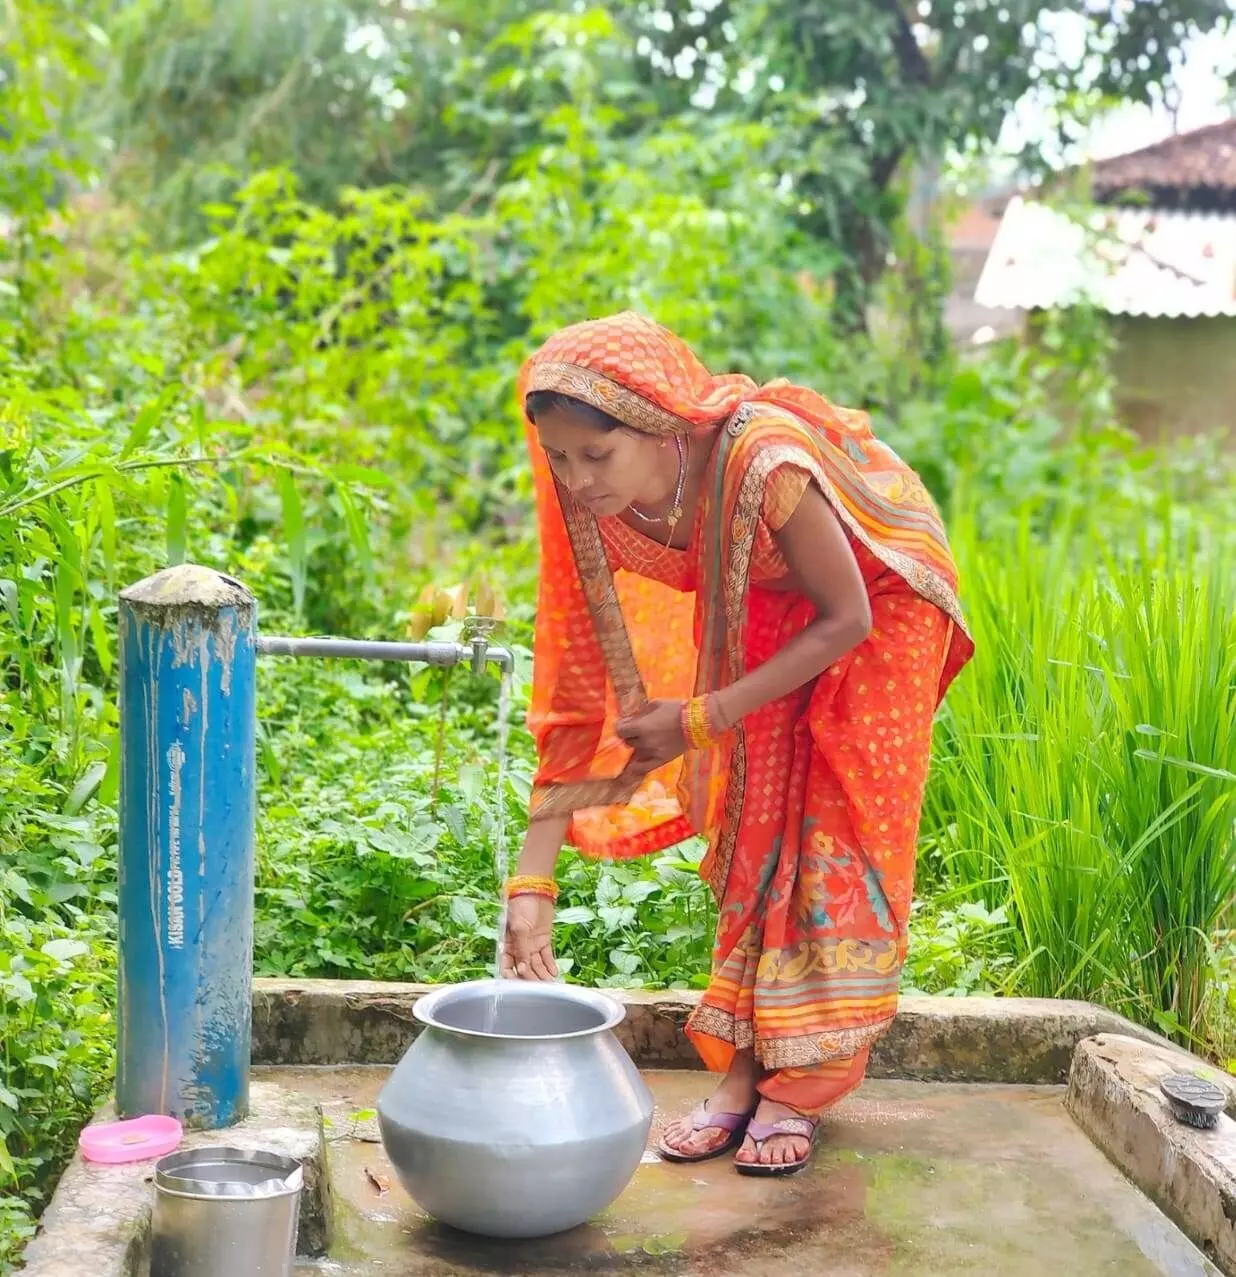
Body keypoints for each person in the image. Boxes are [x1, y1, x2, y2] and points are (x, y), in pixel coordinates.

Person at [502, 312, 972, 1176]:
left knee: (828, 826)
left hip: (876, 599)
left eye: (595, 456)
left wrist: (699, 715)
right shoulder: (580, 500)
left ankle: (802, 1084)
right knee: (757, 812)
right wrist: (533, 880)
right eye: (560, 457)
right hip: (767, 588)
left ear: (661, 425)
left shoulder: (764, 461)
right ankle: (744, 1073)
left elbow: (846, 616)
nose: (576, 478)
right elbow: (572, 689)